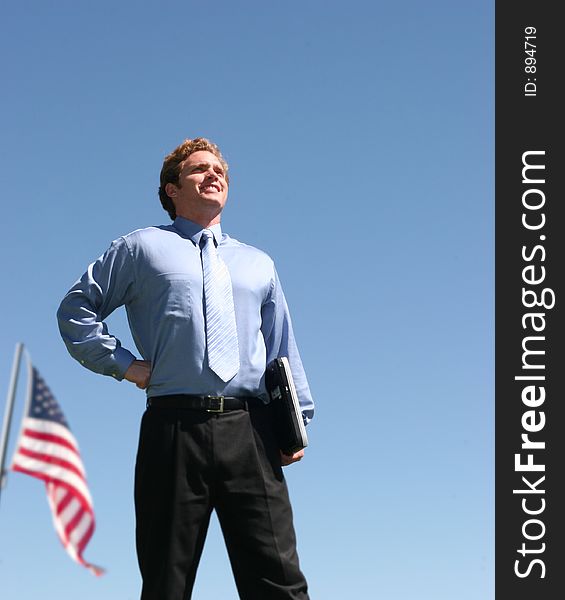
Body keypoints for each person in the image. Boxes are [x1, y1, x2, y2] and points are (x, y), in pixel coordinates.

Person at [56, 137, 314, 600]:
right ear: (171, 189)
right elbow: (76, 310)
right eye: (199, 169)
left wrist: (297, 422)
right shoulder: (141, 248)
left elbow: (281, 349)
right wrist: (125, 366)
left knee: (280, 583)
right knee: (166, 584)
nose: (213, 175)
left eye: (220, 170)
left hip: (251, 431)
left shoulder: (258, 263)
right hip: (172, 429)